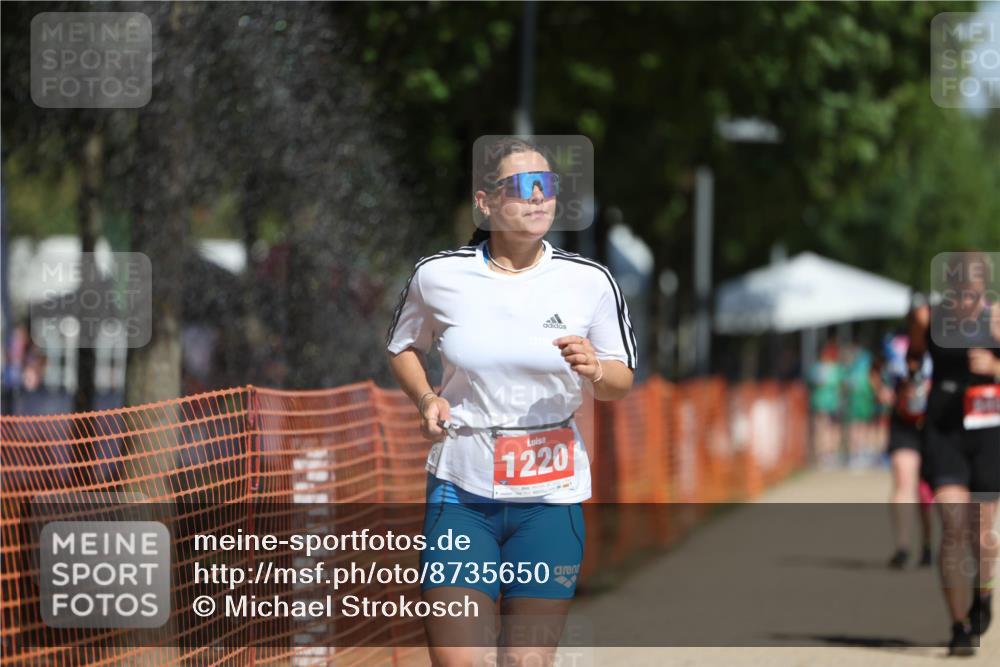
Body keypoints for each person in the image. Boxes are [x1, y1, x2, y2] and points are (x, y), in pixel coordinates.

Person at [385, 136, 636, 666]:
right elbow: (402, 346)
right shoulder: (439, 275)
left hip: (549, 499)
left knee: (526, 660)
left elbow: (621, 381)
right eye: (522, 187)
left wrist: (595, 369)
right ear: (486, 202)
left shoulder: (589, 282)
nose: (539, 198)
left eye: (548, 187)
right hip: (461, 494)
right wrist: (426, 397)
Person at [908, 252, 1000, 656]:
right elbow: (913, 356)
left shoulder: (997, 320)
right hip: (944, 434)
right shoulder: (927, 318)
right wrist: (910, 383)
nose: (965, 301)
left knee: (983, 536)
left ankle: (984, 593)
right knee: (952, 527)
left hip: (988, 434)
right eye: (958, 292)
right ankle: (958, 626)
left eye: (973, 293)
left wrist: (995, 369)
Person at [879, 297, 934, 569]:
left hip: (935, 422)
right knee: (903, 479)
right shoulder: (893, 343)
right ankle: (902, 546)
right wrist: (883, 389)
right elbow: (877, 369)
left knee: (926, 491)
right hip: (903, 421)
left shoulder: (945, 344)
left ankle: (928, 543)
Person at [809, 341, 845, 468]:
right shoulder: (818, 368)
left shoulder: (836, 368)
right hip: (822, 404)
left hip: (832, 404)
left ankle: (829, 454)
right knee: (823, 430)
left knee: (831, 430)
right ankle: (823, 456)